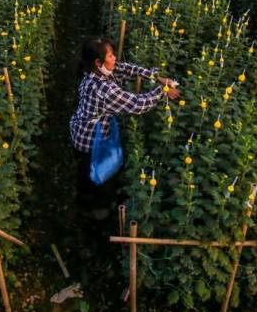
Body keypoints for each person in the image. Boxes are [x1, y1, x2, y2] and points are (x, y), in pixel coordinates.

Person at [69, 37, 180, 205]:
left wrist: (157, 77)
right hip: (90, 141)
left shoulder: (92, 70)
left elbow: (126, 68)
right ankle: (94, 209)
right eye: (111, 56)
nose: (115, 59)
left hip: (80, 127)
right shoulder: (103, 89)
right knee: (96, 177)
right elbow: (137, 104)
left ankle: (86, 195)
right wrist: (163, 90)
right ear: (99, 63)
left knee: (85, 172)